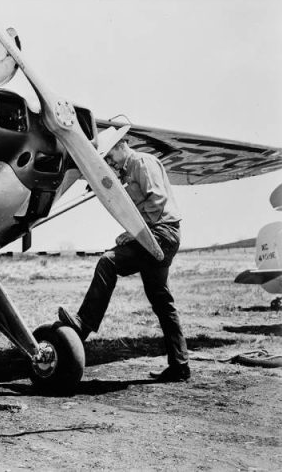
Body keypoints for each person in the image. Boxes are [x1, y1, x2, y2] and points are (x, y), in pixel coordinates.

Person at [58, 138, 190, 382]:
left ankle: (83, 324)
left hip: (160, 234)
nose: (107, 161)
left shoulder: (141, 161)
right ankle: (180, 366)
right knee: (161, 300)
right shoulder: (129, 170)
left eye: (109, 155)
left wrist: (134, 233)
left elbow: (157, 200)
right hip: (163, 235)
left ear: (121, 145)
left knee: (108, 261)